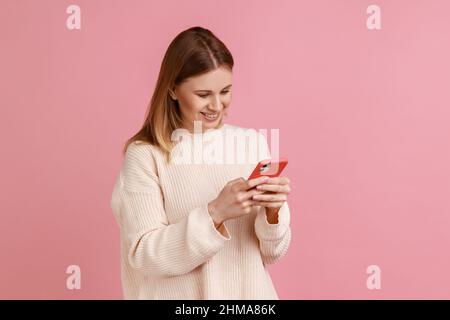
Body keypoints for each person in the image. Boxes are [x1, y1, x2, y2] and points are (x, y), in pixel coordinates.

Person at [110, 26, 292, 299]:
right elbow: (144, 255)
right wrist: (215, 213)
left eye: (226, 91)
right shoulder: (145, 155)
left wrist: (273, 212)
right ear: (173, 90)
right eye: (203, 95)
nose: (217, 106)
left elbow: (271, 253)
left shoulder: (252, 143)